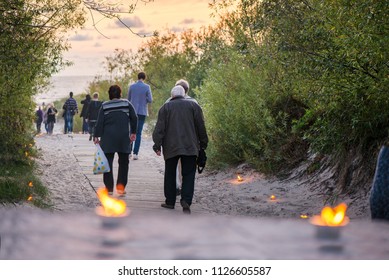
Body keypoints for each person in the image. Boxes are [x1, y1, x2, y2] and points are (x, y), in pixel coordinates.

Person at [153, 85, 208, 214]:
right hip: (190, 146)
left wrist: (157, 145)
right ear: (184, 95)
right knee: (188, 174)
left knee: (170, 173)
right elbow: (201, 126)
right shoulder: (194, 106)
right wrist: (203, 143)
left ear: (172, 96)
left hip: (171, 146)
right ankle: (186, 201)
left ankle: (170, 202)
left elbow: (159, 129)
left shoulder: (165, 108)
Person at [94, 85, 138, 196]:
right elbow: (135, 117)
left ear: (109, 94)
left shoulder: (105, 106)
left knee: (108, 162)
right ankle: (121, 188)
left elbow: (100, 123)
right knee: (124, 163)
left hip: (108, 138)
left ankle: (109, 188)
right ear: (120, 93)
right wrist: (133, 132)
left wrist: (96, 136)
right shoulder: (126, 104)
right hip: (123, 138)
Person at [127, 72, 153, 160]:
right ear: (144, 78)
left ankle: (128, 152)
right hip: (142, 111)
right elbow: (150, 100)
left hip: (132, 111)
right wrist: (143, 99)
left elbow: (128, 99)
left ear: (138, 77)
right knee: (138, 133)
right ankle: (135, 153)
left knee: (131, 131)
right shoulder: (147, 87)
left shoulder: (131, 86)